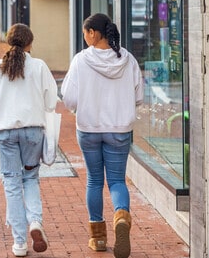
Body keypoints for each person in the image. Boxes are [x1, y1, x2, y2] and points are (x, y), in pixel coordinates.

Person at [60, 13, 143, 258]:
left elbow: (69, 98)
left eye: (85, 32)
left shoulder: (80, 60)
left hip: (89, 129)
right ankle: (121, 216)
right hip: (119, 130)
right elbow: (138, 97)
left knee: (94, 181)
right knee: (117, 181)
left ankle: (97, 238)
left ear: (93, 33)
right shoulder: (128, 60)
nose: (84, 37)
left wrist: (80, 106)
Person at [0, 23, 57, 257]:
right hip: (33, 131)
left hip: (6, 132)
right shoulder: (39, 66)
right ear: (30, 42)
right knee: (30, 178)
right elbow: (51, 99)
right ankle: (35, 221)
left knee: (12, 183)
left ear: (9, 41)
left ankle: (19, 242)